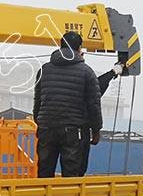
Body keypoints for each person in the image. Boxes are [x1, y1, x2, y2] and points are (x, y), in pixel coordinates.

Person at [33, 31, 102, 178]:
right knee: (72, 173)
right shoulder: (87, 72)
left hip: (46, 127)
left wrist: (39, 122)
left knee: (44, 170)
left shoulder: (44, 70)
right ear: (79, 48)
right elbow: (94, 104)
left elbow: (37, 101)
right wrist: (96, 130)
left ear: (61, 46)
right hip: (73, 130)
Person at [79, 62, 126, 175]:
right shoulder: (83, 73)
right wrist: (96, 130)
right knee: (76, 168)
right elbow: (94, 100)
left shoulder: (47, 71)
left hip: (49, 128)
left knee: (46, 167)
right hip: (78, 129)